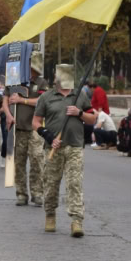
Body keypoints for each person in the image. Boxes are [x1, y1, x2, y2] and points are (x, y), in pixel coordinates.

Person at [33, 64, 96, 237]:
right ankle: (50, 214)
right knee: (51, 183)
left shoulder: (80, 95)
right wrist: (47, 136)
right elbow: (36, 122)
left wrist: (79, 113)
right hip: (53, 147)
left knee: (75, 183)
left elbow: (92, 119)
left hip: (75, 146)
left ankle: (76, 221)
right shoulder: (46, 97)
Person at [4, 64, 45, 206]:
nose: (32, 73)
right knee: (19, 162)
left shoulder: (41, 82)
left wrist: (22, 100)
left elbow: (42, 101)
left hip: (35, 128)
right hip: (18, 127)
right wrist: (8, 115)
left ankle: (37, 193)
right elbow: (5, 99)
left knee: (37, 160)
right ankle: (21, 193)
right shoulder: (14, 80)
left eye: (34, 70)